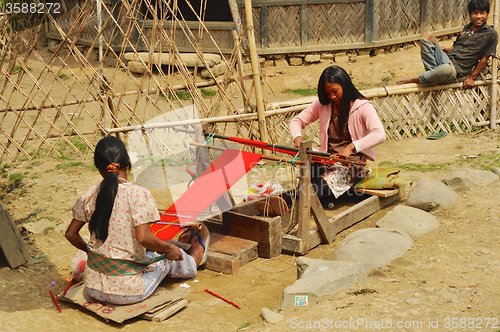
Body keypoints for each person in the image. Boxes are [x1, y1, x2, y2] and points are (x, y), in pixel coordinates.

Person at [65, 136, 209, 305]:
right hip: (129, 292)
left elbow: (71, 234)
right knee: (163, 258)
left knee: (148, 253)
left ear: (99, 169)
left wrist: (90, 252)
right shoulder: (138, 194)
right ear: (129, 163)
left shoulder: (89, 195)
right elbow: (144, 238)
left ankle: (184, 258)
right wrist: (169, 248)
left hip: (94, 288)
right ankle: (194, 260)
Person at [288, 65, 386, 206]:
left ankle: (286, 201)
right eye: (327, 93)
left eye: (335, 91)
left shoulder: (363, 107)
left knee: (315, 187)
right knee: (309, 171)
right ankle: (296, 199)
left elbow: (379, 134)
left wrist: (352, 147)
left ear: (345, 85)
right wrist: (297, 137)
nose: (332, 97)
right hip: (326, 159)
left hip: (350, 164)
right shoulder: (324, 105)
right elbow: (297, 120)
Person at [397, 0, 498, 89]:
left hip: (456, 69)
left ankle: (419, 78)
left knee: (445, 69)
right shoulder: (467, 27)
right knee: (427, 36)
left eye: (482, 13)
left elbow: (485, 59)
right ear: (470, 15)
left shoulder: (491, 34)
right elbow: (457, 45)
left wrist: (472, 78)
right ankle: (433, 75)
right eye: (475, 13)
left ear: (487, 15)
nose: (479, 16)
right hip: (446, 58)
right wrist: (446, 49)